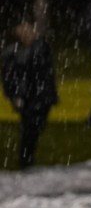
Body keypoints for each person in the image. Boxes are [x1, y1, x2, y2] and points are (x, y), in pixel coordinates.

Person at [3, 18, 58, 169]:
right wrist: (15, 96)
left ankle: (27, 159)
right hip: (28, 97)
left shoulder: (39, 47)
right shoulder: (14, 53)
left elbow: (43, 70)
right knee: (29, 130)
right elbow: (10, 78)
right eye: (25, 31)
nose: (29, 33)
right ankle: (25, 161)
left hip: (40, 96)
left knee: (35, 128)